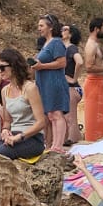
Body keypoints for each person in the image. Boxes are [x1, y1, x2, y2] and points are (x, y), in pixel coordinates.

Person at [0, 48, 49, 159]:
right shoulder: (4, 90)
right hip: (13, 135)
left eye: (2, 67)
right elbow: (8, 121)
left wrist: (20, 137)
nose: (0, 71)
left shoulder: (30, 88)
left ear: (14, 67)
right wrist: (5, 130)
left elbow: (41, 122)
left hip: (32, 138)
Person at [32, 16, 70, 152]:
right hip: (44, 82)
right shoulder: (46, 44)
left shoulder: (56, 43)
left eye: (41, 26)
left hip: (53, 82)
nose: (39, 29)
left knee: (57, 113)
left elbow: (62, 62)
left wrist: (42, 66)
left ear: (50, 27)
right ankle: (55, 144)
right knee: (51, 115)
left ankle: (58, 145)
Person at [80, 19, 103, 142]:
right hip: (94, 82)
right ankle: (93, 139)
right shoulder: (91, 45)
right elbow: (89, 67)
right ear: (96, 29)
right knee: (94, 114)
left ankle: (102, 137)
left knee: (102, 113)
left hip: (101, 81)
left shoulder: (97, 44)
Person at [63, 24, 84, 145]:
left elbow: (80, 62)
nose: (62, 31)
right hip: (69, 87)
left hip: (72, 87)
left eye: (65, 29)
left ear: (70, 34)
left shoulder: (71, 48)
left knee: (71, 118)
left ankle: (74, 142)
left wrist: (73, 78)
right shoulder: (65, 49)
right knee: (68, 117)